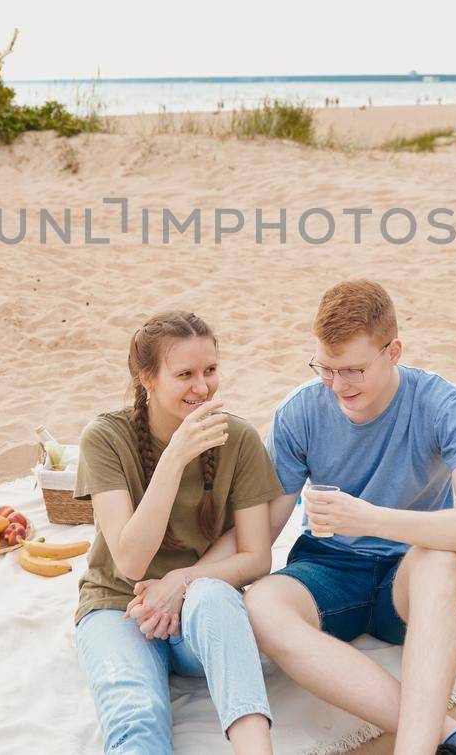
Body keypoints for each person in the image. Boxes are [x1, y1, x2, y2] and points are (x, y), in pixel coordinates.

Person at [231, 280, 456, 755]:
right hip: (328, 568)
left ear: (393, 351)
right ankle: (451, 734)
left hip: (410, 575)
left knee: (439, 561)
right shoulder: (300, 411)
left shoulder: (443, 405)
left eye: (354, 370)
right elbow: (259, 537)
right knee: (260, 604)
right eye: (326, 369)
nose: (339, 386)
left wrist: (370, 519)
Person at [73, 311, 284, 754]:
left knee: (213, 593)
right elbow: (129, 561)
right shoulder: (105, 438)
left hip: (197, 611)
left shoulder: (239, 438)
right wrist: (175, 457)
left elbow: (256, 556)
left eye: (210, 371)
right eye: (185, 374)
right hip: (118, 606)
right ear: (146, 378)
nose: (203, 387)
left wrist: (181, 583)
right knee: (136, 713)